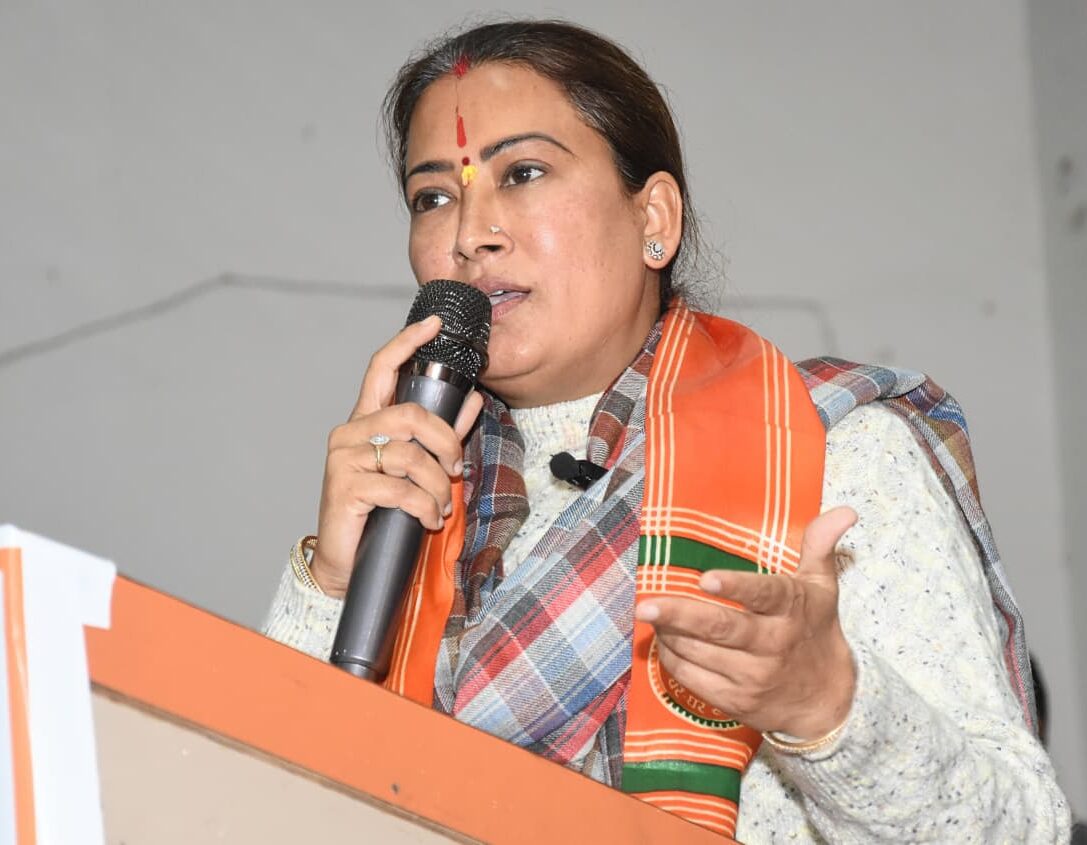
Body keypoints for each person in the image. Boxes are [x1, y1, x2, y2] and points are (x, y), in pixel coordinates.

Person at [263, 20, 1071, 842]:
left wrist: (826, 707)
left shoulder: (831, 453)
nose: (470, 233)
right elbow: (266, 814)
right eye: (432, 197)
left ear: (654, 216)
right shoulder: (412, 496)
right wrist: (328, 585)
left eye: (524, 173)